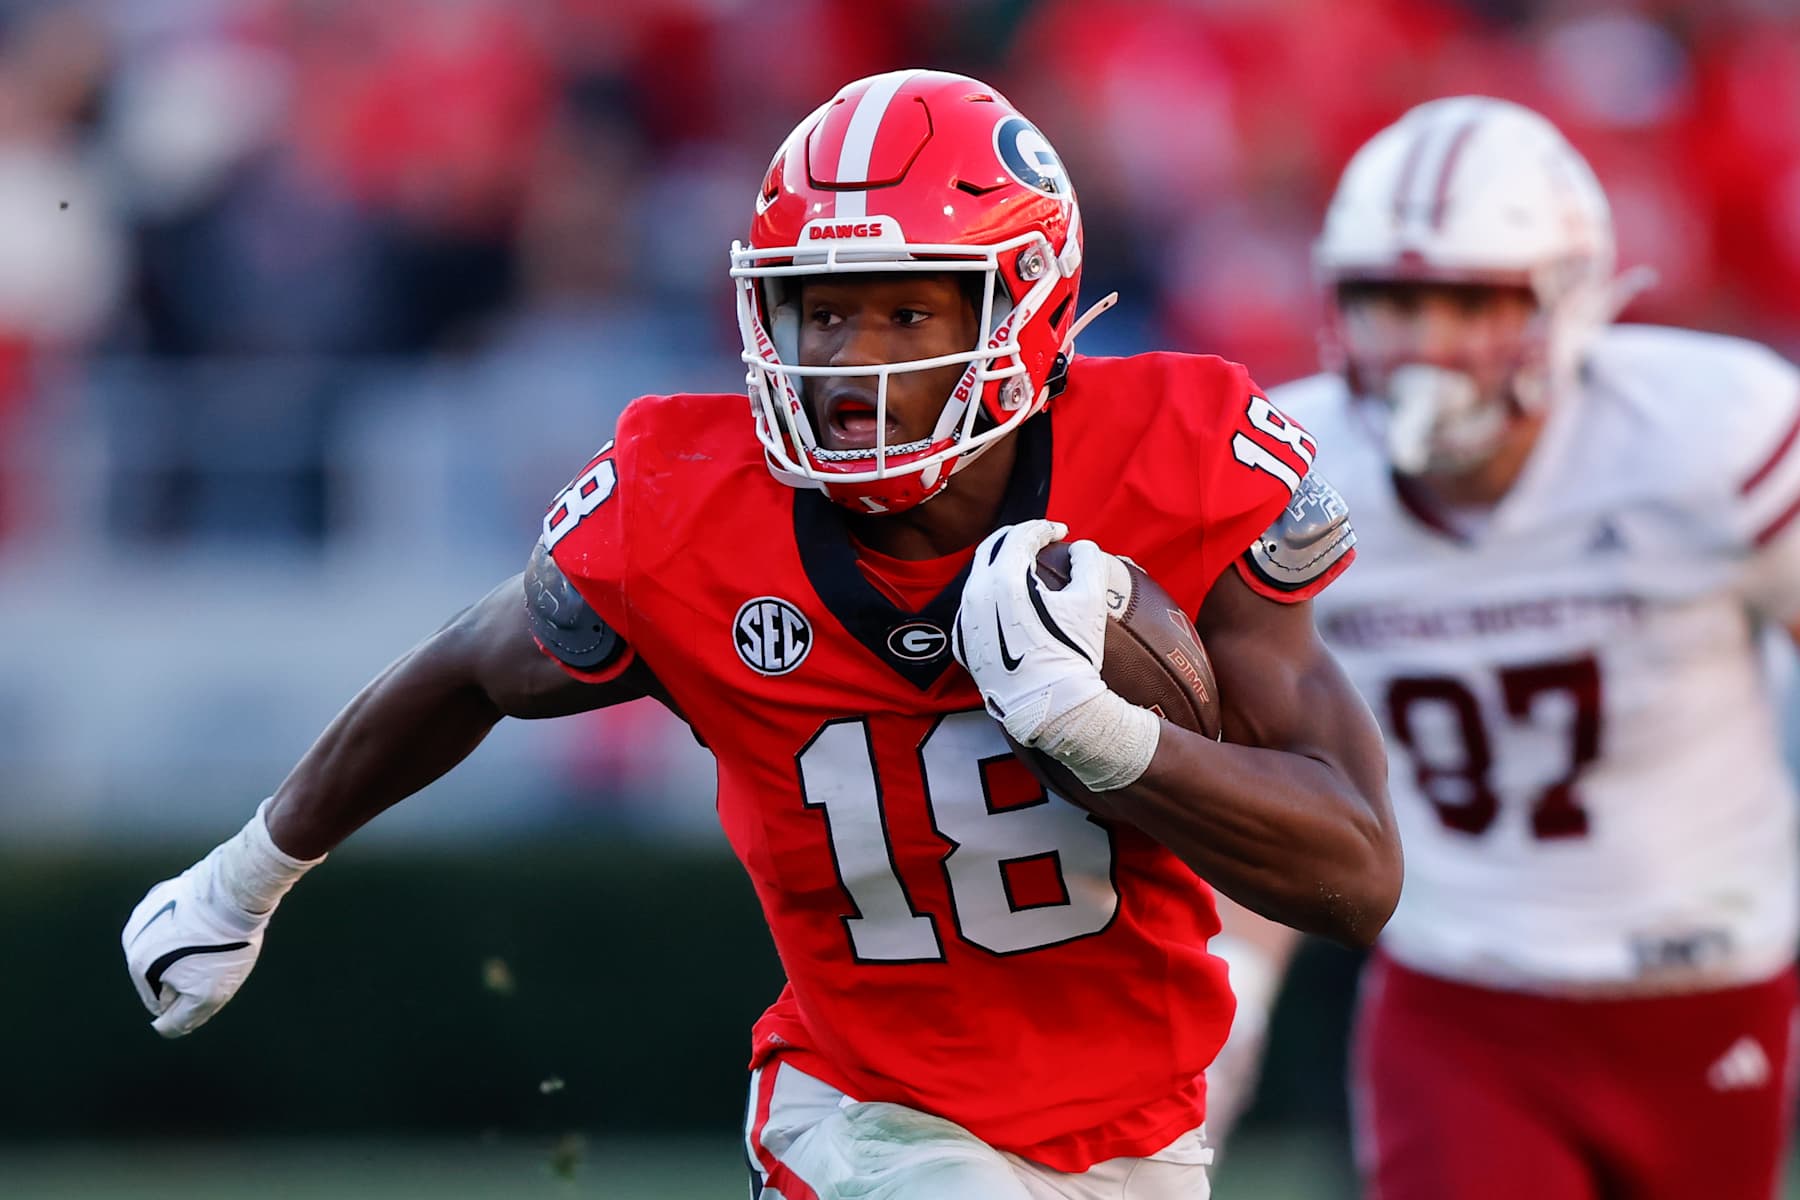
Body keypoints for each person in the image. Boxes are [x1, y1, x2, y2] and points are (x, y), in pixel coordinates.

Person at [121, 70, 1398, 1200]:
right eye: (821, 312)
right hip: (866, 1120)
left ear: (1023, 306)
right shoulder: (686, 512)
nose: (848, 363)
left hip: (1142, 1133)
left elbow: (1356, 876)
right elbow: (469, 667)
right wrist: (245, 877)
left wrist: (1106, 738)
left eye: (907, 314)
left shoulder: (1175, 462)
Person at [1213, 94, 1800, 1199]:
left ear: (1569, 301)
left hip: (1708, 985)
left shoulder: (1708, 438)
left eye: (1472, 301)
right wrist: (1231, 991)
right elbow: (1268, 771)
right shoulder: (1286, 480)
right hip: (1460, 1000)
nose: (1427, 345)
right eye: (1393, 301)